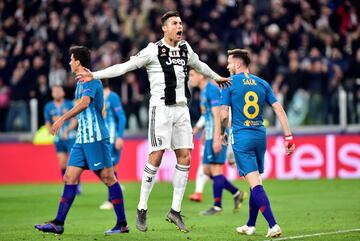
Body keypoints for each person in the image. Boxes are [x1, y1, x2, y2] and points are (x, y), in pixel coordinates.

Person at [76, 11, 230, 233]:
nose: (180, 26)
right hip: (161, 110)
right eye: (175, 23)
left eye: (181, 23)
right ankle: (142, 207)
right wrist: (95, 75)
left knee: (185, 156)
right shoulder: (152, 50)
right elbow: (124, 67)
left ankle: (175, 211)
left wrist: (217, 77)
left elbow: (201, 65)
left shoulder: (186, 49)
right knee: (156, 156)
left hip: (182, 110)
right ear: (165, 28)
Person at [34, 46, 128, 235]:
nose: (69, 62)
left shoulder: (91, 79)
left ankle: (122, 224)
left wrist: (62, 118)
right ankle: (58, 223)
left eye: (71, 59)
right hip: (82, 138)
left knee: (109, 178)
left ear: (78, 61)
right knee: (69, 177)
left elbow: (85, 104)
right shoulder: (80, 81)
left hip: (95, 138)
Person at [220, 49, 295, 238]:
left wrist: (222, 132)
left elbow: (223, 114)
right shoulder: (262, 83)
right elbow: (278, 108)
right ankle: (250, 224)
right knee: (254, 180)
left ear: (238, 64)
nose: (227, 66)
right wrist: (288, 137)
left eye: (229, 62)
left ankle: (273, 225)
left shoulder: (228, 83)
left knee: (254, 184)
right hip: (260, 135)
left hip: (242, 136)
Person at [189, 69, 246, 215]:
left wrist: (216, 138)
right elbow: (207, 116)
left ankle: (217, 206)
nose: (190, 78)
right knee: (207, 170)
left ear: (201, 75)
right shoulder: (203, 92)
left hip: (217, 135)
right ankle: (236, 193)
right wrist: (201, 130)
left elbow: (216, 115)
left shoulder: (212, 90)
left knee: (215, 169)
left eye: (192, 75)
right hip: (209, 134)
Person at [44, 85, 80, 193]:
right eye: (54, 91)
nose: (57, 93)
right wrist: (51, 130)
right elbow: (47, 122)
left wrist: (66, 131)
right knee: (62, 162)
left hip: (71, 137)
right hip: (58, 139)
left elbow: (75, 120)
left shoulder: (70, 104)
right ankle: (67, 184)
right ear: (52, 94)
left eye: (59, 91)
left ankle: (77, 186)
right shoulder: (48, 106)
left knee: (74, 162)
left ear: (63, 92)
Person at [99, 79, 127, 210]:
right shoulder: (98, 97)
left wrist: (120, 137)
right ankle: (117, 186)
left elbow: (121, 117)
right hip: (103, 138)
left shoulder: (113, 96)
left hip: (113, 137)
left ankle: (111, 200)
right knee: (106, 168)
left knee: (110, 169)